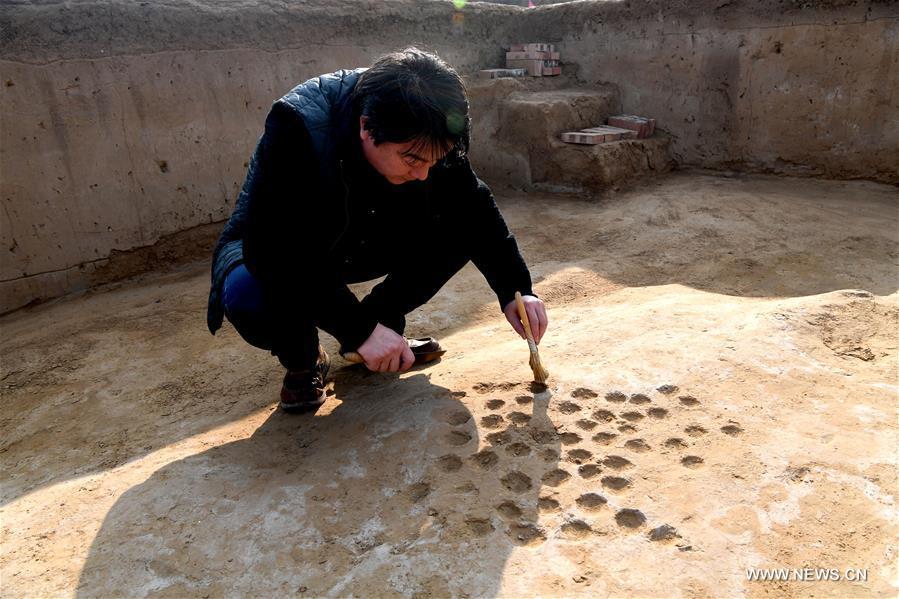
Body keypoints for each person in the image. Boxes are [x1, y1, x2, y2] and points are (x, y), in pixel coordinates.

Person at [206, 48, 548, 412]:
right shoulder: (298, 123)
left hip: (365, 234)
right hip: (288, 245)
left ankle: (380, 331)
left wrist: (517, 291)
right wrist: (357, 328)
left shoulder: (428, 123)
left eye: (436, 160)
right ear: (366, 126)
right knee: (249, 295)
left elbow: (473, 207)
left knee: (459, 229)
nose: (423, 173)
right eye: (413, 159)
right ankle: (304, 357)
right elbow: (271, 248)